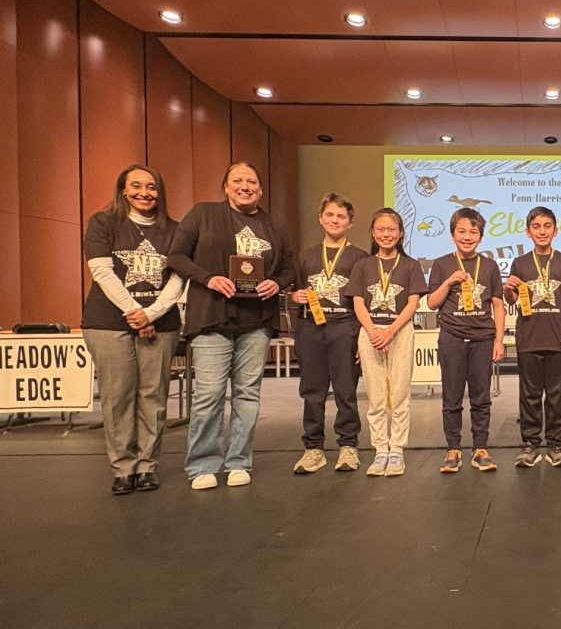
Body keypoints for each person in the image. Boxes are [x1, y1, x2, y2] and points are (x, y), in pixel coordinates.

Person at [169, 162, 296, 490]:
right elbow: (176, 257)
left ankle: (240, 461)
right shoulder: (203, 214)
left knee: (247, 394)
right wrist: (208, 278)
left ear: (260, 189)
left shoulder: (274, 225)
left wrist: (276, 284)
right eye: (237, 180)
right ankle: (202, 465)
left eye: (252, 181)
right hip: (213, 318)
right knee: (209, 394)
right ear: (225, 186)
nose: (245, 186)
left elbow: (288, 268)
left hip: (256, 322)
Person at [82, 164, 184, 495]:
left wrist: (151, 314)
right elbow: (101, 270)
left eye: (151, 186)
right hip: (108, 324)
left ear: (160, 191)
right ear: (123, 190)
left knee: (153, 396)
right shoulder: (103, 222)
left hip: (161, 322)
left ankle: (148, 465)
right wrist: (134, 311)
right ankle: (123, 467)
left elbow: (179, 278)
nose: (145, 192)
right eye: (136, 185)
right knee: (117, 396)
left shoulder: (175, 230)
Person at [345, 208, 427, 477]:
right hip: (370, 333)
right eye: (380, 229)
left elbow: (413, 302)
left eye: (391, 229)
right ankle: (380, 449)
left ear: (401, 233)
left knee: (400, 394)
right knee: (376, 396)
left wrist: (390, 331)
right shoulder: (363, 265)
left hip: (400, 331)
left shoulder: (411, 265)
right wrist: (372, 331)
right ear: (372, 232)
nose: (386, 234)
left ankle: (397, 451)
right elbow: (358, 301)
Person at [290, 194, 368, 474]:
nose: (335, 221)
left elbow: (365, 301)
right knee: (312, 391)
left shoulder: (359, 257)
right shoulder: (306, 255)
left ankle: (348, 446)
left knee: (346, 390)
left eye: (341, 217)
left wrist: (362, 337)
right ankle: (313, 448)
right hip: (310, 327)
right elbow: (295, 288)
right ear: (320, 218)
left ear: (350, 222)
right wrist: (296, 295)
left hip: (344, 327)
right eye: (330, 215)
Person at [504, 206, 561, 468]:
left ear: (556, 230)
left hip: (559, 337)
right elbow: (513, 299)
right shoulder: (520, 263)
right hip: (529, 337)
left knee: (556, 394)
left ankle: (555, 444)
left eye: (547, 226)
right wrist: (508, 291)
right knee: (528, 394)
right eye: (536, 227)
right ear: (528, 232)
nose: (542, 231)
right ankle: (530, 444)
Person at [427, 208, 505, 473]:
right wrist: (449, 282)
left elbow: (497, 304)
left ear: (481, 236)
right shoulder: (441, 264)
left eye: (473, 232)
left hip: (482, 338)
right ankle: (453, 450)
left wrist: (498, 340)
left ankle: (480, 449)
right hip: (452, 337)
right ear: (452, 235)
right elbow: (432, 302)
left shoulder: (491, 265)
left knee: (481, 397)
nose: (467, 236)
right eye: (461, 231)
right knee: (451, 397)